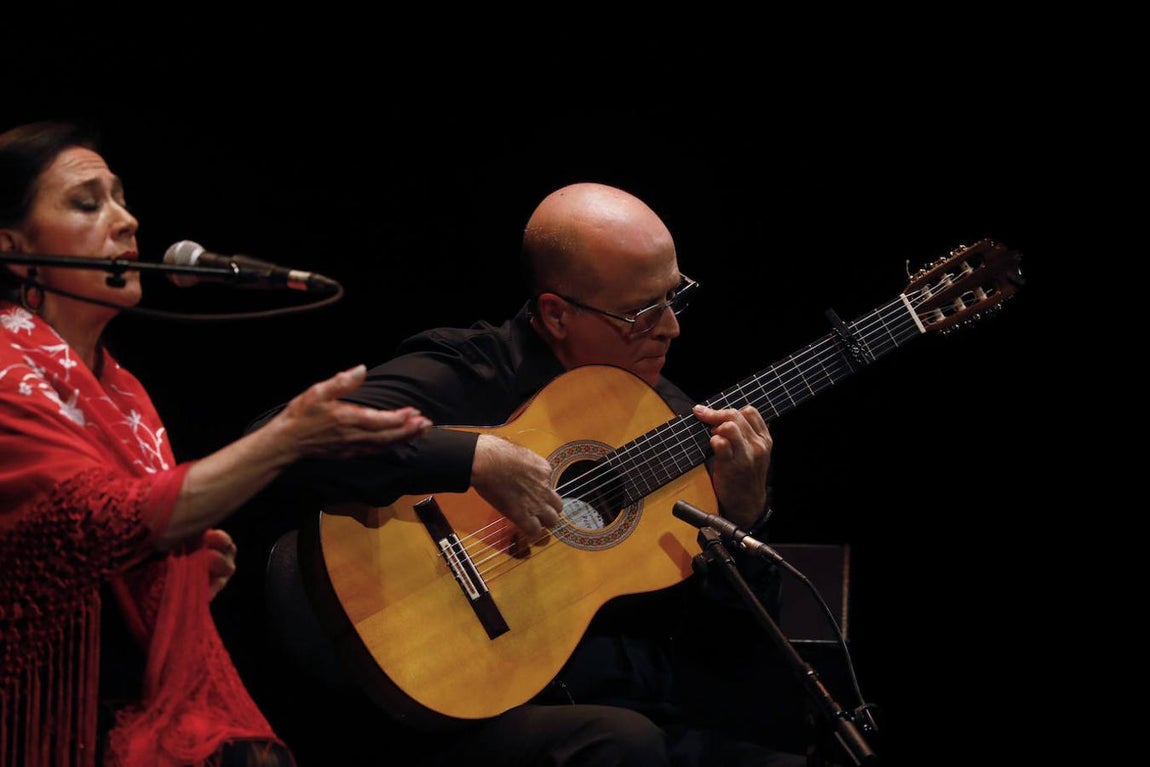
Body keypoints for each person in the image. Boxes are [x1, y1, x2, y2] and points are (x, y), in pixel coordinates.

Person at [246, 182, 813, 766]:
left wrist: (742, 521)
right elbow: (281, 440)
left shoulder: (666, 419)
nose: (671, 328)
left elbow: (728, 660)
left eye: (676, 298)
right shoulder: (473, 371)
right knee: (623, 744)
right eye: (643, 313)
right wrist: (473, 459)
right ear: (556, 314)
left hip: (611, 702)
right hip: (431, 709)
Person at [0, 120, 432, 767]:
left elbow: (121, 540)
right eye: (88, 203)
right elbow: (100, 519)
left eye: (120, 197)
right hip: (39, 726)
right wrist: (288, 437)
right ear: (15, 251)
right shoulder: (4, 368)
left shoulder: (125, 390)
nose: (126, 219)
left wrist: (173, 572)